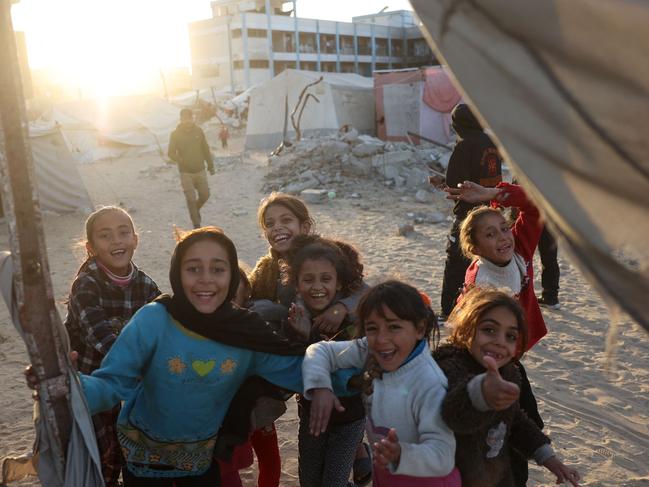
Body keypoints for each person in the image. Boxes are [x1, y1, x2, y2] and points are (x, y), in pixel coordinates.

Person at [63, 227, 354, 486]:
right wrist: (69, 386)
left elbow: (295, 369)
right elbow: (113, 383)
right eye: (193, 269)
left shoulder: (244, 332)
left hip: (203, 463)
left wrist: (358, 375)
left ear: (231, 275)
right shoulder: (154, 319)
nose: (206, 280)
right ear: (178, 272)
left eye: (217, 269)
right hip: (143, 461)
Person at [248, 192, 372, 485]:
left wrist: (341, 307)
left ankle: (357, 448)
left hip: (343, 363)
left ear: (305, 226)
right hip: (301, 354)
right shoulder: (268, 269)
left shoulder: (327, 255)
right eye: (269, 223)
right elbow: (252, 302)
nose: (277, 227)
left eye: (286, 219)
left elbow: (364, 291)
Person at [303, 280, 461, 487]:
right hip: (386, 475)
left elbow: (443, 456)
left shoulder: (429, 384)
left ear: (420, 329)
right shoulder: (370, 350)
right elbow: (320, 350)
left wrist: (401, 454)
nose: (381, 339)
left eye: (394, 327)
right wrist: (321, 386)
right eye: (372, 328)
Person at [447, 180, 548, 485]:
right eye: (490, 234)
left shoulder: (520, 250)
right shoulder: (480, 282)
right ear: (475, 249)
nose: (503, 237)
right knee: (501, 425)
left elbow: (536, 205)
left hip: (510, 357)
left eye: (503, 228)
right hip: (487, 363)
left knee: (522, 421)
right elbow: (465, 327)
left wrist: (494, 194)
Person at [434, 287, 581, 486]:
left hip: (497, 477)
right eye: (489, 330)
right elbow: (453, 413)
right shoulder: (449, 366)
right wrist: (481, 392)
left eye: (510, 336)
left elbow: (514, 421)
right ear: (467, 327)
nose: (500, 342)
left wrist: (548, 457)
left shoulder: (508, 372)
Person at [63, 206, 161, 487]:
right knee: (102, 452)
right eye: (105, 236)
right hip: (92, 381)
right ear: (91, 248)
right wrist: (140, 366)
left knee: (130, 448)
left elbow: (162, 324)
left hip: (132, 385)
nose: (117, 241)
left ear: (135, 239)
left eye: (123, 233)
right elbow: (100, 335)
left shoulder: (145, 285)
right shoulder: (86, 284)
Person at [285, 235, 366, 487]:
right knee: (309, 480)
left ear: (339, 282)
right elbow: (294, 368)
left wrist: (309, 336)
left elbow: (347, 365)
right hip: (311, 416)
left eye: (326, 279)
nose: (317, 286)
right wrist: (299, 335)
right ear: (297, 285)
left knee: (334, 482)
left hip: (350, 417)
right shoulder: (295, 318)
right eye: (308, 279)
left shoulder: (354, 319)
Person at [440, 103, 502, 319]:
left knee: (456, 261)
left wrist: (441, 182)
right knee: (483, 263)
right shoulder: (490, 142)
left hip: (468, 215)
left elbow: (455, 183)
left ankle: (449, 310)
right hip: (491, 211)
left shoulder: (465, 145)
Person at [168, 108, 215, 229]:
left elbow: (205, 149)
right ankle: (196, 224)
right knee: (191, 199)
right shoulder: (175, 134)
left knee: (205, 195)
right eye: (185, 119)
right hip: (185, 173)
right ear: (181, 119)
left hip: (200, 169)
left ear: (192, 118)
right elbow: (170, 153)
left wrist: (210, 165)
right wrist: (181, 160)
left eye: (189, 118)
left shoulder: (198, 131)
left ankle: (195, 210)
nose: (187, 121)